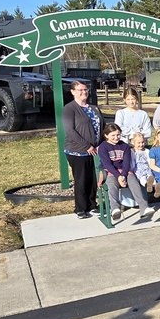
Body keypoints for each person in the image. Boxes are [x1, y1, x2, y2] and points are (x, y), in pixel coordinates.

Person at [62, 80, 104, 219]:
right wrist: (87, 146)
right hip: (77, 151)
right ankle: (80, 208)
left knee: (93, 179)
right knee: (81, 180)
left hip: (95, 151)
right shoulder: (69, 109)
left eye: (85, 89)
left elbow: (102, 126)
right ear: (73, 92)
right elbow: (70, 130)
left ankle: (92, 205)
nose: (84, 92)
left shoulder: (94, 108)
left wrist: (101, 143)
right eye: (80, 90)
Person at [97, 123, 154, 221]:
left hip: (125, 170)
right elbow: (107, 164)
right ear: (106, 135)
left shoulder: (124, 146)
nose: (116, 137)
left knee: (133, 182)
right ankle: (115, 209)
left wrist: (123, 175)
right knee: (111, 184)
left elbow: (126, 162)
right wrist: (118, 176)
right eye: (113, 135)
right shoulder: (103, 147)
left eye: (118, 134)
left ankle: (144, 207)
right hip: (110, 171)